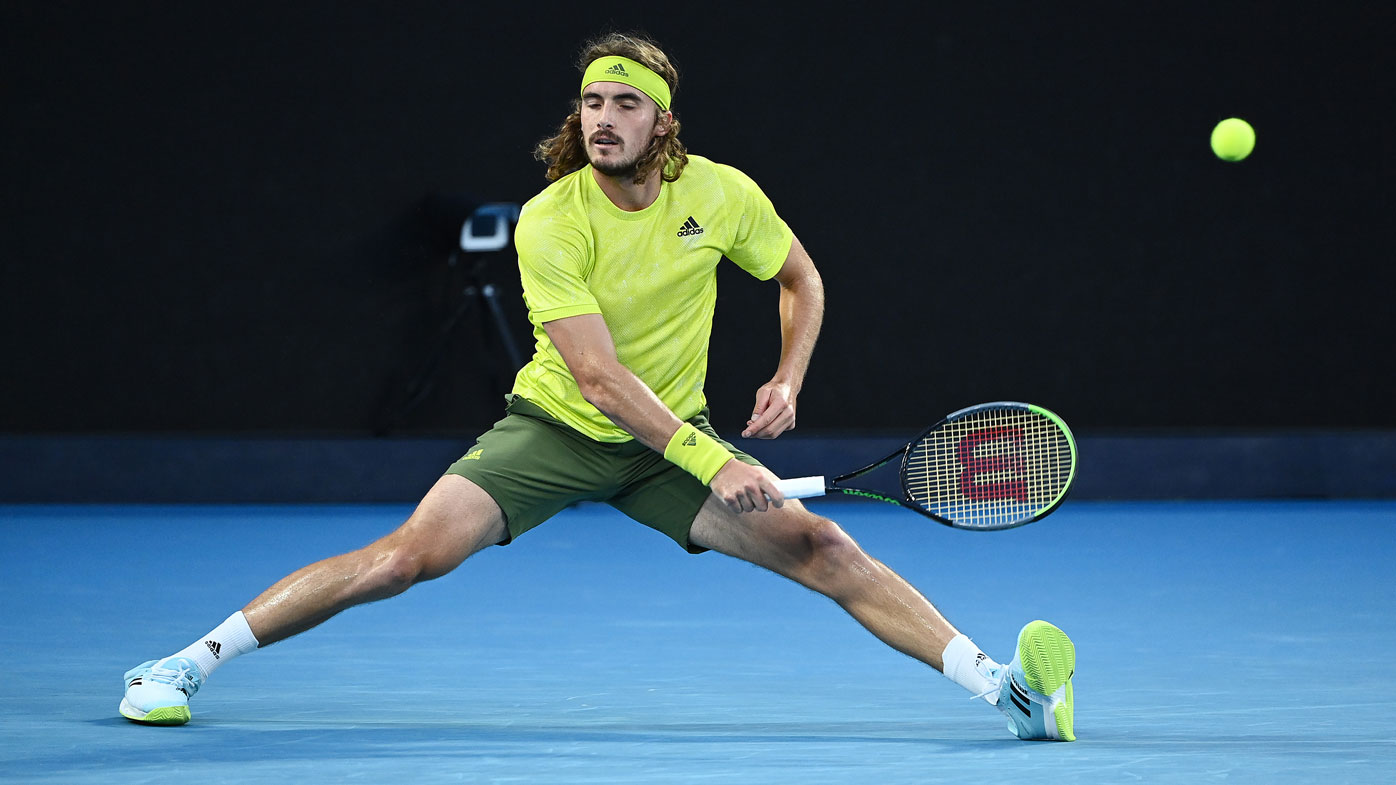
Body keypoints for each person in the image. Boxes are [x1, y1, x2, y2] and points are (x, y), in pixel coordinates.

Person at [119, 32, 1076, 742]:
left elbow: (800, 278)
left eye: (624, 102)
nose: (602, 119)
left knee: (824, 545)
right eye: (590, 103)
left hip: (671, 440)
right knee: (407, 558)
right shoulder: (552, 220)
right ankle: (186, 662)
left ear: (663, 120)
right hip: (561, 428)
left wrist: (788, 375)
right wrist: (713, 459)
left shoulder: (721, 193)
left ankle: (1010, 694)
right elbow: (597, 377)